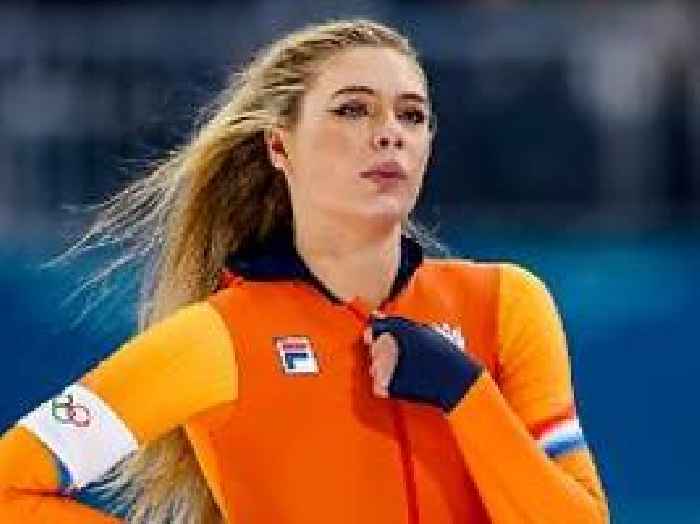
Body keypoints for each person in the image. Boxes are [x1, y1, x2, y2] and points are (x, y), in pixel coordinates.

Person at [0, 19, 609, 524]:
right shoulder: (218, 339)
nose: (389, 134)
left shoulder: (504, 304)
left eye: (411, 115)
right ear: (279, 146)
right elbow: (11, 488)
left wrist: (466, 394)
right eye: (353, 110)